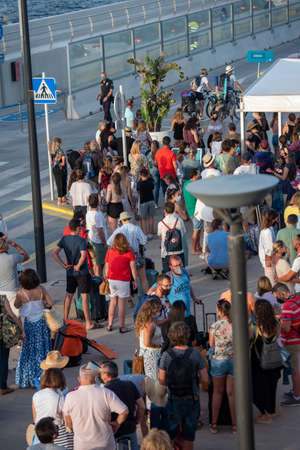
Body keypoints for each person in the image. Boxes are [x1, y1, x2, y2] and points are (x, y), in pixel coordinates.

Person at [158, 321, 209, 449]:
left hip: (173, 398)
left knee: (170, 433)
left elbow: (161, 380)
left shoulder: (166, 355)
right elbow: (205, 379)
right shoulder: (195, 354)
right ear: (187, 336)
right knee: (188, 435)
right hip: (192, 398)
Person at [63, 364, 128, 450]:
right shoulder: (106, 393)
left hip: (82, 445)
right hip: (105, 443)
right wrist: (117, 423)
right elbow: (124, 411)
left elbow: (68, 422)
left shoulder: (70, 397)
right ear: (95, 378)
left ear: (79, 379)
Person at [52, 219, 96, 330]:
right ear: (77, 228)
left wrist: (63, 264)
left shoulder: (64, 239)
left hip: (70, 271)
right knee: (85, 296)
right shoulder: (81, 240)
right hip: (82, 272)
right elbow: (83, 256)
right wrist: (79, 265)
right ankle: (88, 322)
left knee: (68, 295)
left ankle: (65, 319)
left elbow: (54, 253)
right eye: (80, 227)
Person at [14, 269, 52, 388]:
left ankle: (28, 378)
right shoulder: (41, 290)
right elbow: (50, 303)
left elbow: (16, 305)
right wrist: (43, 303)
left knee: (29, 351)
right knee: (42, 348)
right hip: (41, 323)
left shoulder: (21, 293)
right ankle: (44, 376)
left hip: (29, 324)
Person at [100, 361, 145, 450]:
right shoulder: (130, 384)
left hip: (114, 431)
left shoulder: (104, 391)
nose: (99, 375)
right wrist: (137, 421)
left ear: (106, 374)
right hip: (130, 428)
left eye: (100, 373)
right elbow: (142, 406)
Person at [250, 299, 282, 422]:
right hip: (274, 359)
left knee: (257, 390)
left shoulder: (255, 327)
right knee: (271, 387)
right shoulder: (276, 324)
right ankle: (271, 409)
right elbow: (278, 336)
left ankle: (266, 414)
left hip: (259, 362)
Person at [209, 300, 236, 433]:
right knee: (231, 393)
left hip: (219, 360)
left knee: (217, 392)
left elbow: (211, 345)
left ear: (219, 311)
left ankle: (214, 424)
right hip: (233, 360)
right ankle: (235, 424)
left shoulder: (214, 326)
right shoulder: (235, 324)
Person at [107, 211, 148, 294]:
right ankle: (146, 297)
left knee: (126, 280)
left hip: (124, 256)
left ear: (121, 221)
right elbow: (144, 241)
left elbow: (109, 242)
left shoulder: (119, 230)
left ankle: (129, 301)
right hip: (136, 255)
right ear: (129, 219)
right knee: (143, 278)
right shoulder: (136, 228)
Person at [32, 368, 73, 449]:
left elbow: (35, 417)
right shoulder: (59, 397)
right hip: (55, 433)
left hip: (40, 431)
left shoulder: (36, 395)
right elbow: (64, 418)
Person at [104, 233, 137, 333]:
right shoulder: (129, 253)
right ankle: (122, 326)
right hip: (123, 280)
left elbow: (107, 266)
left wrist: (106, 278)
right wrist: (134, 280)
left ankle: (110, 324)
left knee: (112, 302)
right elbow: (133, 268)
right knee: (121, 304)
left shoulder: (110, 251)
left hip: (111, 279)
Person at [0, 233, 29, 315]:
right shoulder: (12, 258)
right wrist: (16, 246)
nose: (6, 243)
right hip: (11, 293)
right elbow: (26, 256)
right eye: (4, 242)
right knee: (16, 318)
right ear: (2, 247)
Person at [0, 294, 23, 395]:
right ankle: (2, 387)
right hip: (2, 335)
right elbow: (12, 315)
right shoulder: (2, 298)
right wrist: (21, 329)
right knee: (3, 359)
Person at [280, 294, 300, 406]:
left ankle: (297, 397)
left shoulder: (288, 305)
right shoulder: (298, 300)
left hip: (292, 341)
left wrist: (279, 321)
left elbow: (287, 328)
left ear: (281, 294)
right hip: (298, 337)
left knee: (295, 370)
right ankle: (296, 390)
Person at [136, 297, 163, 380]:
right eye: (158, 310)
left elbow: (158, 323)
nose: (159, 312)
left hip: (149, 353)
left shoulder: (150, 320)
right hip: (151, 356)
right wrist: (159, 346)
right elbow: (147, 343)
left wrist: (169, 319)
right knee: (153, 379)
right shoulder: (149, 325)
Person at [157, 202, 186, 273]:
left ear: (165, 210)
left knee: (167, 273)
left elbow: (160, 236)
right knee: (180, 272)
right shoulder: (179, 221)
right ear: (174, 210)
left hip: (166, 251)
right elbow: (183, 233)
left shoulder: (161, 223)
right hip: (179, 249)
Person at [85, 193, 107, 277]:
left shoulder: (88, 213)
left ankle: (95, 281)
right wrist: (104, 243)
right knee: (99, 267)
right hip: (99, 243)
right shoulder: (97, 215)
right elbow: (100, 231)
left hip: (91, 240)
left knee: (95, 265)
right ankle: (98, 283)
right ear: (98, 203)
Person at [183, 169, 203, 255]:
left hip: (190, 209)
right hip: (195, 211)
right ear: (194, 176)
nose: (200, 175)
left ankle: (198, 246)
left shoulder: (186, 184)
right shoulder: (194, 186)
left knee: (198, 229)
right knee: (196, 230)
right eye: (198, 174)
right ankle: (194, 249)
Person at [258, 210, 278, 285]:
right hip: (268, 259)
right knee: (272, 281)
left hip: (269, 258)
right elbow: (269, 248)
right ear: (273, 219)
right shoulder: (267, 231)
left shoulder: (269, 229)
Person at [137, 168, 155, 239]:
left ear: (141, 175)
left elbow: (138, 192)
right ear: (147, 174)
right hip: (151, 200)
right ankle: (151, 232)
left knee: (143, 218)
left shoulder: (139, 183)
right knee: (151, 217)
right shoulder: (150, 181)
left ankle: (144, 233)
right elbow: (153, 189)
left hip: (143, 202)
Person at [49, 137, 68, 206]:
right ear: (59, 144)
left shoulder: (52, 152)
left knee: (59, 184)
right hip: (61, 170)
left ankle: (62, 198)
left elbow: (51, 162)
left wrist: (55, 162)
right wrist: (61, 161)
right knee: (62, 184)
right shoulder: (60, 152)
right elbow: (63, 163)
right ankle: (61, 199)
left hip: (55, 170)